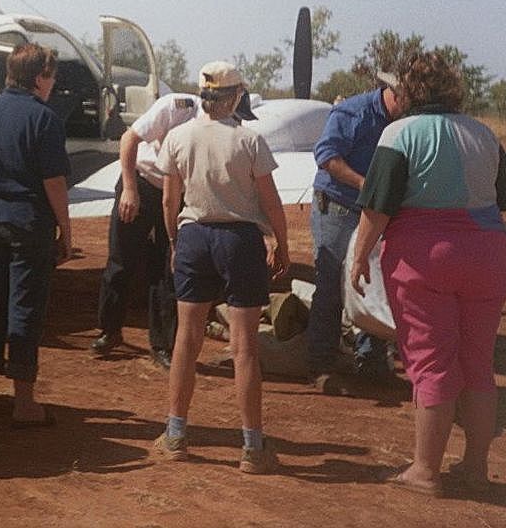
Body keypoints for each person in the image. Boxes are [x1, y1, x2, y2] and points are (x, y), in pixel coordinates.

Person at [349, 51, 506, 497]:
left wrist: (359, 257)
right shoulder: (483, 134)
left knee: (430, 365)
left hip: (423, 259)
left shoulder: (399, 133)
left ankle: (425, 470)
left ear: (409, 92)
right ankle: (475, 467)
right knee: (478, 366)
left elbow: (377, 207)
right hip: (488, 255)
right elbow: (505, 198)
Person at [154, 62, 288, 474]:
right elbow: (271, 200)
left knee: (186, 339)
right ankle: (252, 446)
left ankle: (176, 434)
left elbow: (168, 201)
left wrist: (176, 243)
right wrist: (282, 243)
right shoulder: (248, 140)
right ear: (234, 97)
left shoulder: (177, 137)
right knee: (244, 347)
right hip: (240, 241)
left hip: (194, 236)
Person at [0, 42, 73, 427]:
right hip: (28, 221)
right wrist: (66, 229)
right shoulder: (45, 118)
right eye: (52, 76)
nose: (53, 84)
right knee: (24, 305)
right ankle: (23, 401)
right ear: (40, 77)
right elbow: (54, 181)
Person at [307, 72, 407, 386]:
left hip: (374, 210)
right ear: (392, 93)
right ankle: (322, 363)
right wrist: (366, 184)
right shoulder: (353, 112)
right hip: (338, 206)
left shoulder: (403, 123)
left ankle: (371, 359)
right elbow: (326, 156)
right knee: (331, 282)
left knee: (374, 283)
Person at [91, 91, 199, 368]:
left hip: (176, 194)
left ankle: (162, 345)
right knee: (120, 260)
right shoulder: (176, 107)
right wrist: (129, 189)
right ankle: (110, 330)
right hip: (141, 181)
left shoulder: (228, 125)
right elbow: (129, 139)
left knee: (167, 267)